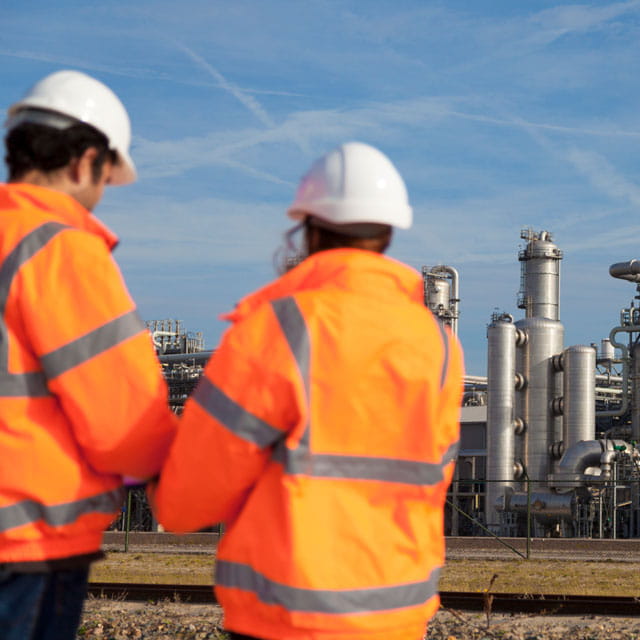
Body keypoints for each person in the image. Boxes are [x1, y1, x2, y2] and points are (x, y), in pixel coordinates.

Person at [152, 141, 464, 640]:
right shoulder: (440, 344)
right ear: (388, 231)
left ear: (309, 228)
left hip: (290, 617)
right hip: (400, 615)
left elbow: (188, 502)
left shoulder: (281, 329)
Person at [0, 70, 177, 640]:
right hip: (26, 536)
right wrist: (180, 484)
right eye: (105, 179)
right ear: (85, 163)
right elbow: (123, 413)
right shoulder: (58, 247)